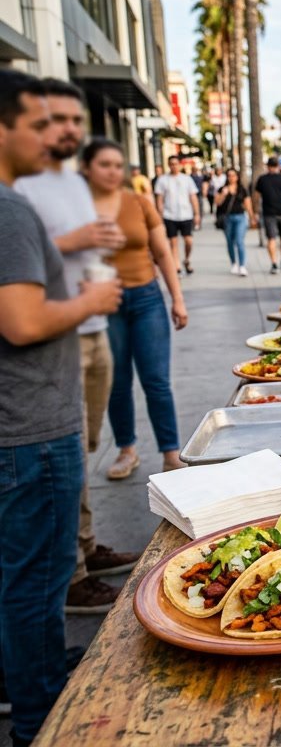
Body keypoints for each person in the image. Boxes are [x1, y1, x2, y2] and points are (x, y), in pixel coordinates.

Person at [0, 70, 123, 747]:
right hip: (29, 424)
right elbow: (20, 322)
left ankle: (35, 673)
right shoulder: (12, 209)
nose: (52, 137)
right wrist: (88, 303)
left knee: (25, 572)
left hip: (21, 421)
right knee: (37, 578)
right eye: (38, 124)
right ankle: (40, 712)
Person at [12, 79, 138, 616]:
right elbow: (21, 304)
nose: (60, 130)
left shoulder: (70, 182)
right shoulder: (17, 192)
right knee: (49, 467)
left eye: (66, 120)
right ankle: (71, 575)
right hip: (45, 349)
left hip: (82, 335)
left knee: (77, 453)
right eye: (45, 121)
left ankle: (82, 549)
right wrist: (80, 253)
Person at [82, 138, 189, 480]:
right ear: (87, 168)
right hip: (105, 304)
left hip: (146, 298)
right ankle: (127, 450)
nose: (113, 171)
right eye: (104, 164)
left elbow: (162, 253)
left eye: (118, 165)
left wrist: (177, 298)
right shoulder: (77, 209)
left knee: (156, 380)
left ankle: (171, 454)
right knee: (116, 382)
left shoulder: (139, 203)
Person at [154, 155, 200, 274]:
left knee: (188, 241)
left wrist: (197, 214)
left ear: (179, 165)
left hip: (186, 214)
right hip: (169, 215)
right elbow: (159, 199)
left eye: (176, 164)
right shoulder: (162, 180)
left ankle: (186, 260)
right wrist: (159, 215)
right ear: (168, 165)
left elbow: (193, 197)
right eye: (171, 164)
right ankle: (177, 266)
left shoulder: (187, 179)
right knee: (173, 242)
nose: (174, 166)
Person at [254, 156, 281, 274]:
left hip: (268, 213)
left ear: (268, 166)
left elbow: (256, 197)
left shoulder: (262, 179)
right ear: (278, 166)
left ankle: (274, 263)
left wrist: (255, 211)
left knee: (271, 239)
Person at [214, 169, 255, 276]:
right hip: (227, 218)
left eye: (233, 175)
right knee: (230, 242)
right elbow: (217, 203)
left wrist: (252, 218)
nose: (231, 178)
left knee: (239, 241)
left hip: (240, 217)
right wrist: (223, 194)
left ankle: (242, 265)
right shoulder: (222, 189)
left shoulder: (242, 190)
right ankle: (234, 263)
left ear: (237, 177)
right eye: (229, 175)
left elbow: (248, 205)